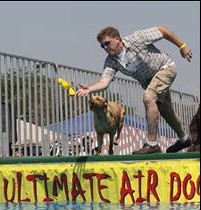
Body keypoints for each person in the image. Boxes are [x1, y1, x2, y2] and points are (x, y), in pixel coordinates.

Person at [76, 26, 193, 154]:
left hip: (165, 68)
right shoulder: (111, 61)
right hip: (150, 81)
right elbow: (104, 81)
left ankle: (152, 144)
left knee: (148, 98)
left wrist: (182, 46)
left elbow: (162, 30)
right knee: (165, 111)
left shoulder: (137, 39)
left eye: (107, 43)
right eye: (102, 46)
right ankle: (184, 139)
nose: (105, 48)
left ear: (117, 38)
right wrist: (90, 88)